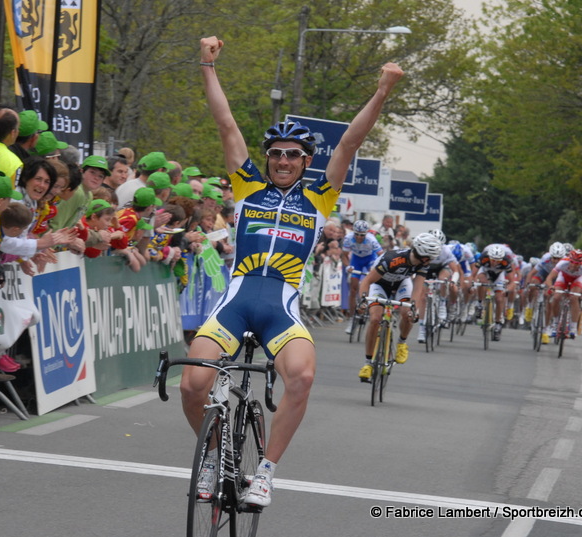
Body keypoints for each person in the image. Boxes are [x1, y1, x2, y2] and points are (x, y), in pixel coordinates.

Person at [179, 35, 403, 508]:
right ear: (268, 159)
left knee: (301, 378)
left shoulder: (320, 196)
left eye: (292, 155)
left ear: (306, 162)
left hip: (281, 307)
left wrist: (382, 91)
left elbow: (350, 140)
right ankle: (213, 457)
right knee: (192, 382)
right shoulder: (248, 187)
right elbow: (225, 123)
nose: (282, 160)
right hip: (235, 302)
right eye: (276, 153)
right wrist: (207, 65)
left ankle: (265, 473)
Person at [357, 233, 440, 381]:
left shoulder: (423, 263)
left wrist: (413, 309)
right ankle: (368, 363)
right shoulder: (392, 259)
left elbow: (417, 288)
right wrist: (362, 300)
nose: (430, 261)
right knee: (375, 318)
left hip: (402, 283)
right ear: (423, 255)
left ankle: (402, 343)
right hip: (380, 284)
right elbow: (367, 281)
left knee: (407, 312)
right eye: (429, 258)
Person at [341, 219, 383, 334]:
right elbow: (344, 255)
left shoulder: (371, 239)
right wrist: (348, 266)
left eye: (362, 235)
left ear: (366, 233)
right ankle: (351, 319)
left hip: (370, 259)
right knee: (353, 289)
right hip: (356, 260)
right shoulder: (348, 238)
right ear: (353, 232)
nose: (359, 237)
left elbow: (381, 256)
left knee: (371, 281)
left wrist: (376, 270)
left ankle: (369, 307)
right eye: (357, 234)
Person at [545, 248, 582, 339]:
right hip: (563, 278)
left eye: (577, 263)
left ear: (581, 263)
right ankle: (555, 324)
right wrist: (551, 287)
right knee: (556, 297)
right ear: (569, 260)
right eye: (573, 262)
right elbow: (549, 278)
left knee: (574, 298)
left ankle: (573, 327)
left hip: (576, 280)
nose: (574, 266)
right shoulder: (562, 263)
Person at [474, 244, 514, 341]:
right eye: (493, 260)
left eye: (498, 260)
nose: (495, 262)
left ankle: (497, 324)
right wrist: (473, 284)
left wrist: (507, 289)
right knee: (482, 282)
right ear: (489, 257)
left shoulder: (506, 261)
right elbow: (473, 273)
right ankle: (479, 303)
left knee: (499, 299)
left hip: (499, 275)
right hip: (485, 272)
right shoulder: (483, 258)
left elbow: (512, 281)